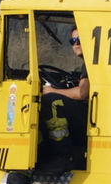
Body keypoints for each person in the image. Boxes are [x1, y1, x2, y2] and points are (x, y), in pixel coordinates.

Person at [37, 27, 90, 173]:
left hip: (91, 121)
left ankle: (62, 156)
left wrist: (52, 91)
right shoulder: (88, 64)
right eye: (73, 41)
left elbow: (82, 93)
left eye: (80, 39)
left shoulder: (91, 63)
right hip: (89, 117)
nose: (76, 44)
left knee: (52, 102)